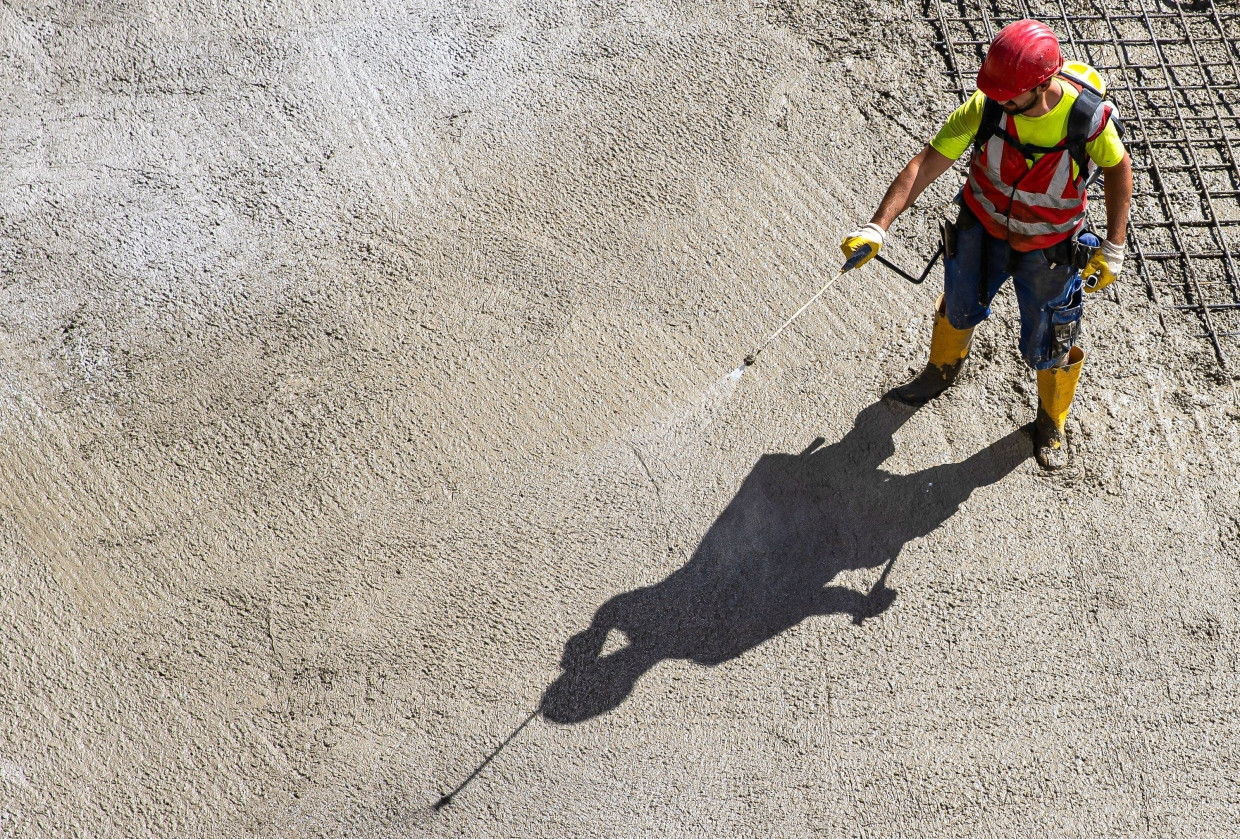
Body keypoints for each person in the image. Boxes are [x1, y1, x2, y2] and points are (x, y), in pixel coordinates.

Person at [840, 19, 1132, 470]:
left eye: (1009, 95)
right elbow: (925, 164)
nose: (998, 100)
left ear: (1043, 84)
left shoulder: (1086, 121)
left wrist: (1114, 246)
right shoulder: (987, 106)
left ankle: (1051, 419)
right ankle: (940, 372)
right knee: (957, 306)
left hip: (1048, 251)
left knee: (1052, 338)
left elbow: (1118, 169)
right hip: (981, 230)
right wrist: (877, 226)